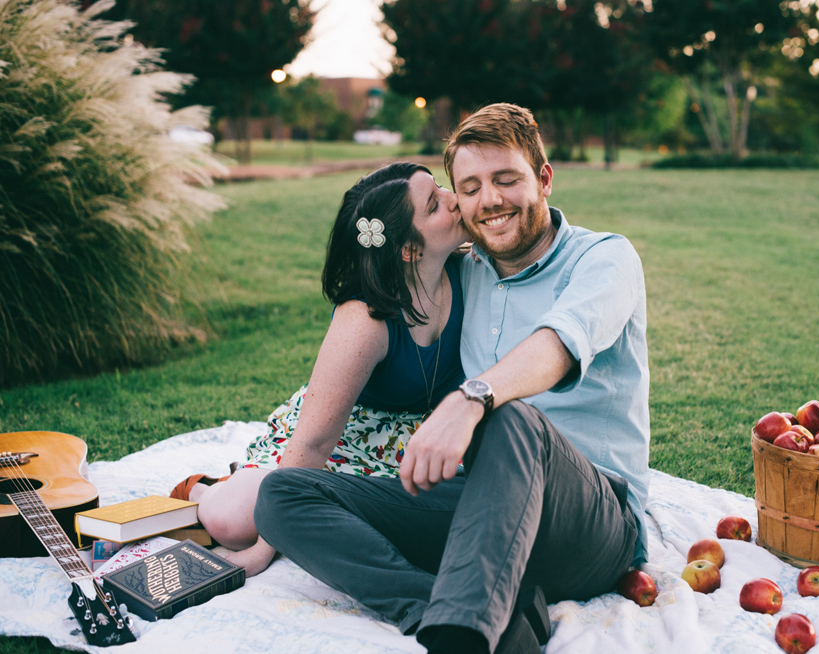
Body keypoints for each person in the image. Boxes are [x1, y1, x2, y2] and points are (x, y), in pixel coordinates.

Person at [255, 103, 650, 654]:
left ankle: (460, 641)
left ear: (544, 179)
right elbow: (402, 273)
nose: (489, 200)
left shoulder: (604, 258)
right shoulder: (467, 271)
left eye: (507, 179)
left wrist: (473, 398)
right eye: (470, 187)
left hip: (590, 524)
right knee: (281, 495)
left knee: (509, 415)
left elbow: (557, 345)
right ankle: (459, 612)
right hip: (484, 515)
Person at [170, 162, 469, 576]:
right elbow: (313, 442)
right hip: (345, 438)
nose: (456, 199)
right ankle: (203, 488)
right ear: (409, 249)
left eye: (439, 187)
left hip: (426, 440)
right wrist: (262, 549)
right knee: (232, 521)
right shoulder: (364, 321)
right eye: (435, 204)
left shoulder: (474, 274)